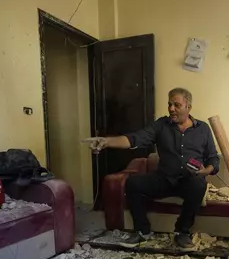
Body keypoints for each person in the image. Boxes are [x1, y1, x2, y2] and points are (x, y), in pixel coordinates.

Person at [89, 88, 220, 248]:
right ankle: (143, 231)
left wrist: (206, 170)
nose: (171, 109)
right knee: (133, 184)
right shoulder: (161, 125)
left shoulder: (203, 129)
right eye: (169, 104)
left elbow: (213, 157)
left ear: (188, 107)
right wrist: (107, 142)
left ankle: (182, 232)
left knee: (199, 185)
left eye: (177, 105)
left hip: (189, 181)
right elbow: (135, 138)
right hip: (164, 179)